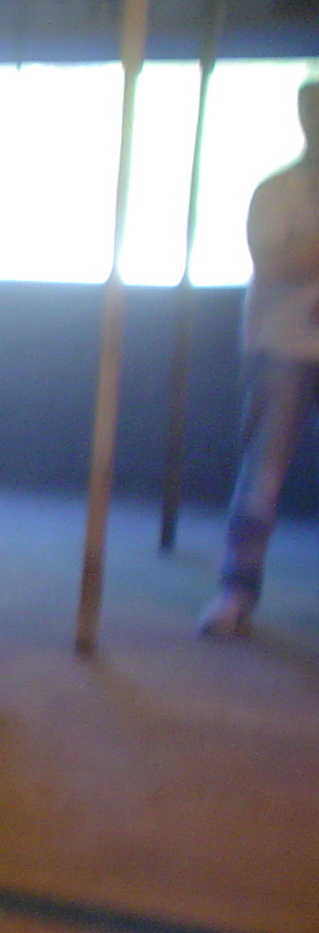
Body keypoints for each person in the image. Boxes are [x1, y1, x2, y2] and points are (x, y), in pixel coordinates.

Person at [201, 79, 319, 638]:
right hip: (282, 347)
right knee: (263, 476)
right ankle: (236, 590)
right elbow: (272, 262)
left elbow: (295, 257)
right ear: (304, 116)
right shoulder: (276, 191)